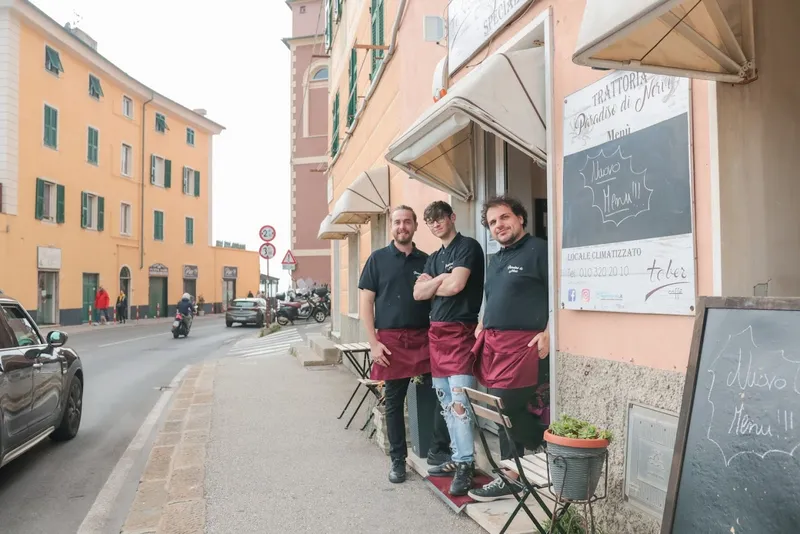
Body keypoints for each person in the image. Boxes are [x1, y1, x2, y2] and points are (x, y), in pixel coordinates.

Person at [359, 205, 452, 484]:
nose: (402, 227)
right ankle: (398, 461)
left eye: (407, 222)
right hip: (390, 341)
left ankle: (438, 451)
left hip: (425, 338)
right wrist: (373, 343)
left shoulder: (427, 260)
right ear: (391, 227)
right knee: (394, 403)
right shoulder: (377, 259)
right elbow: (365, 302)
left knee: (441, 394)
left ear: (415, 226)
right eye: (397, 222)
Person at [468, 195, 551, 502]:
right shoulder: (496, 259)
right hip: (495, 345)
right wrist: (482, 321)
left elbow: (559, 291)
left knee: (504, 405)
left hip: (525, 345)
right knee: (498, 406)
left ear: (520, 218)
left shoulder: (539, 250)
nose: (498, 225)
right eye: (492, 222)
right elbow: (494, 298)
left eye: (504, 218)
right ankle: (521, 465)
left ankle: (515, 472)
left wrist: (550, 331)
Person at [413, 200, 485, 496]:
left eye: (440, 218)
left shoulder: (468, 247)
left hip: (461, 332)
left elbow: (457, 287)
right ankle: (457, 457)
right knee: (446, 404)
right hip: (437, 334)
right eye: (430, 221)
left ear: (452, 217)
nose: (435, 223)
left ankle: (466, 464)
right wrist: (444, 277)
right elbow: (418, 293)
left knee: (460, 405)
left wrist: (439, 282)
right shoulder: (433, 258)